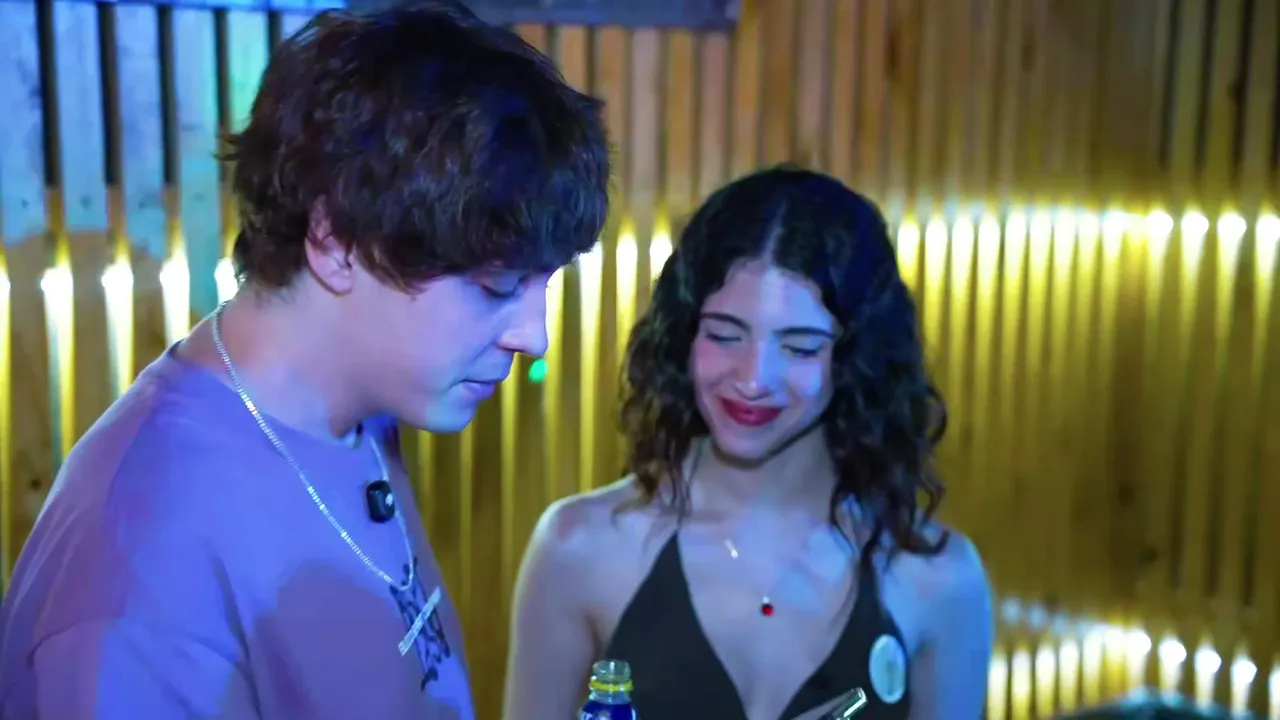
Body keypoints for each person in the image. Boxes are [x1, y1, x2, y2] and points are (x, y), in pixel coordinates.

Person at [0, 2, 609, 718]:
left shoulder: (357, 407)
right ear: (336, 241)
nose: (534, 337)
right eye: (497, 286)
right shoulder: (144, 578)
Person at [505, 167, 993, 720]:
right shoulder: (580, 549)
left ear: (856, 358)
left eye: (801, 348)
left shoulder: (937, 578)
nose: (754, 378)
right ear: (684, 335)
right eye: (724, 335)